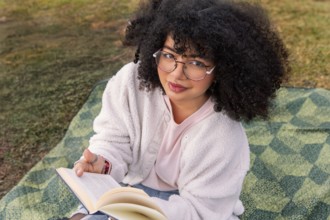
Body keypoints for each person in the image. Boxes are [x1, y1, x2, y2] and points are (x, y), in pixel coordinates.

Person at [70, 0, 289, 219]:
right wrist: (102, 164)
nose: (176, 74)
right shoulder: (130, 83)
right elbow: (113, 140)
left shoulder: (224, 136)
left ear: (222, 70)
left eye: (196, 63)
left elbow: (201, 212)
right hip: (129, 193)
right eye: (169, 55)